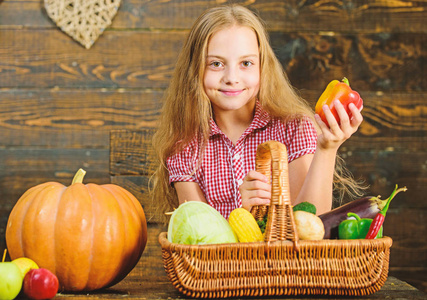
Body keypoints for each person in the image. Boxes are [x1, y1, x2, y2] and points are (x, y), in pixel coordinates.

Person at [152, 4, 365, 221]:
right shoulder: (185, 146)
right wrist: (243, 215)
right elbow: (199, 238)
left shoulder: (294, 127)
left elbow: (311, 223)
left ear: (263, 66)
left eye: (246, 63)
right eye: (216, 64)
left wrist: (327, 149)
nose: (231, 78)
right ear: (194, 69)